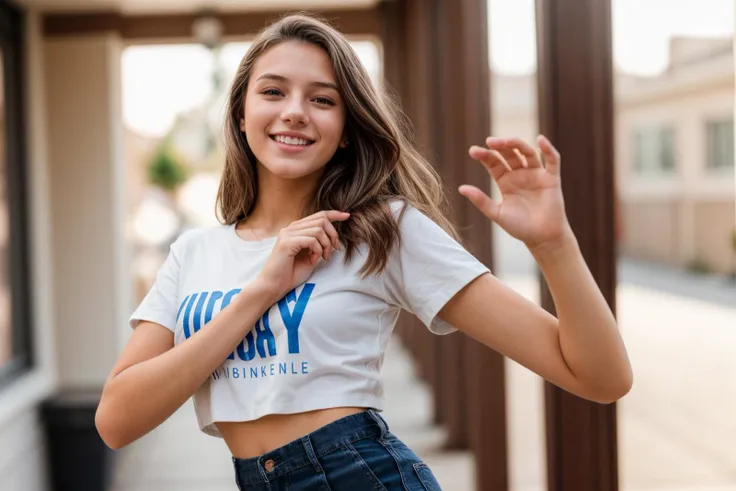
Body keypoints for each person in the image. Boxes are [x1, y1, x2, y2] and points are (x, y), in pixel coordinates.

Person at [95, 13, 633, 491]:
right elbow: (117, 421)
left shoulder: (383, 231)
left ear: (348, 130)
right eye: (273, 92)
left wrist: (553, 244)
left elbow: (600, 378)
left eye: (323, 99)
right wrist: (259, 291)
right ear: (240, 113)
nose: (296, 113)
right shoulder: (193, 253)